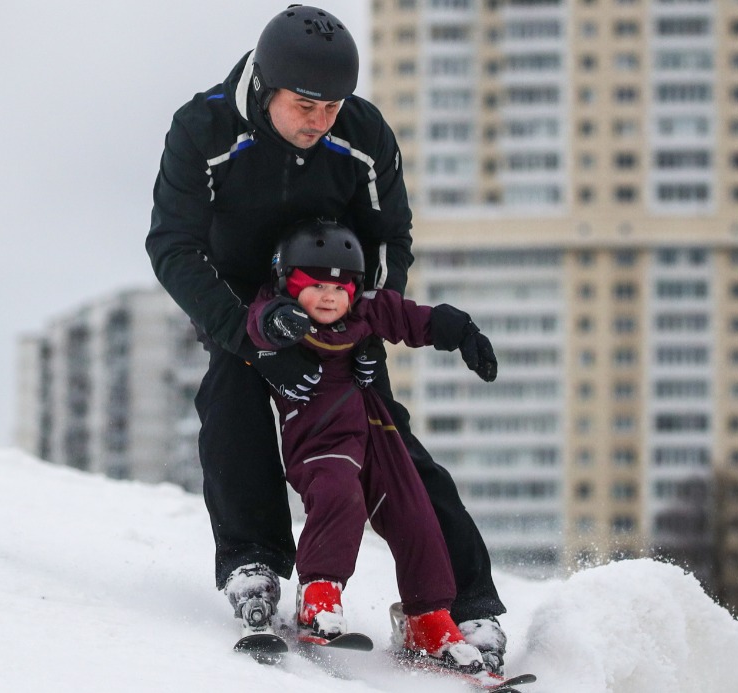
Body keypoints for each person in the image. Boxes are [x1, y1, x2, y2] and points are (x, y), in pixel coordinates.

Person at [144, 4, 508, 673]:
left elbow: (391, 238)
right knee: (231, 409)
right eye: (305, 106)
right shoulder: (204, 128)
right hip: (242, 304)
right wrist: (250, 340)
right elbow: (172, 246)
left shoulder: (363, 135)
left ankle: (459, 599)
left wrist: (364, 324)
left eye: (331, 107)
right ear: (267, 88)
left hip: (335, 304)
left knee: (384, 439)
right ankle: (254, 564)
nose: (318, 122)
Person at [246, 219, 496, 671]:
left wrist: (460, 331)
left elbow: (409, 316)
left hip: (375, 430)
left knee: (414, 511)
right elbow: (259, 324)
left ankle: (427, 616)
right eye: (316, 286)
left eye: (341, 288)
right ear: (289, 283)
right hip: (320, 437)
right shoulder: (281, 314)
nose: (329, 297)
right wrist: (276, 320)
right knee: (340, 496)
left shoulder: (363, 312)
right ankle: (319, 594)